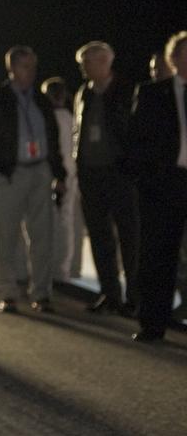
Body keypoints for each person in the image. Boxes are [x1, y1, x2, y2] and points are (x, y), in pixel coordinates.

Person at [0, 47, 65, 313]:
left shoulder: (42, 100)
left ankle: (41, 293)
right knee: (6, 237)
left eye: (33, 67)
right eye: (25, 67)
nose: (30, 73)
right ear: (11, 68)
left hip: (40, 171)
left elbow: (53, 138)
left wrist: (58, 174)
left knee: (42, 236)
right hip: (8, 174)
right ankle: (7, 292)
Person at [73, 40, 139, 315]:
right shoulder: (83, 93)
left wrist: (130, 166)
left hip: (120, 174)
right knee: (100, 237)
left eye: (89, 62)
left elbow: (135, 134)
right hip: (91, 174)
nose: (85, 68)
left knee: (130, 238)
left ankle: (134, 297)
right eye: (83, 64)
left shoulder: (127, 91)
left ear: (105, 62)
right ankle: (109, 293)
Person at [129, 31, 187, 342]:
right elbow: (136, 141)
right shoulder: (153, 93)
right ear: (173, 59)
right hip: (165, 185)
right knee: (158, 256)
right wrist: (147, 179)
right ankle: (153, 322)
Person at [42, 76, 83, 281]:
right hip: (70, 173)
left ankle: (58, 269)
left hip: (57, 174)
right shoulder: (70, 117)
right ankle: (66, 267)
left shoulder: (50, 119)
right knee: (67, 221)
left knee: (57, 221)